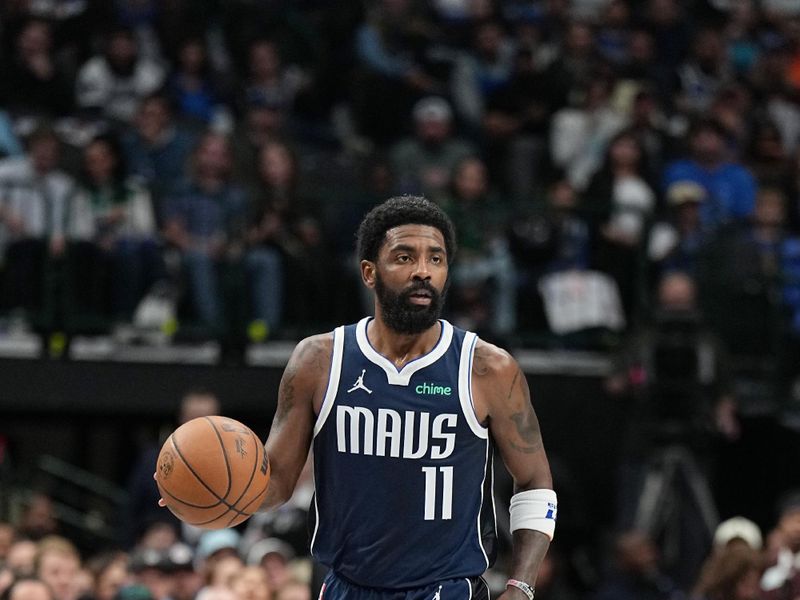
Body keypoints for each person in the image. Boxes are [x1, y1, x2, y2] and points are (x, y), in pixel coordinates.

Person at [159, 196, 557, 598]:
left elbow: (535, 480)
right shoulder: (318, 360)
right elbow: (276, 481)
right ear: (369, 272)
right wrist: (201, 486)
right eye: (404, 257)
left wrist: (521, 586)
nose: (423, 271)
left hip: (444, 589)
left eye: (435, 259)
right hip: (345, 587)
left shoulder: (487, 368)